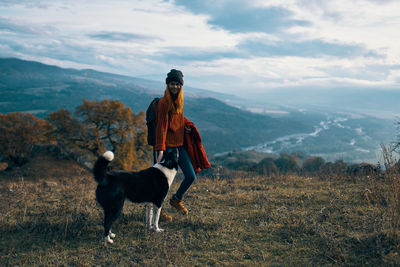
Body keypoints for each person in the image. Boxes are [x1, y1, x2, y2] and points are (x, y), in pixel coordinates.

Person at [155, 69, 209, 219]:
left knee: (191, 176)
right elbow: (161, 126)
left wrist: (186, 127)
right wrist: (160, 149)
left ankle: (176, 199)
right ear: (168, 84)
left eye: (178, 84)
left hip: (180, 145)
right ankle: (159, 211)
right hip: (168, 147)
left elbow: (178, 119)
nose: (175, 87)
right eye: (172, 83)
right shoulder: (164, 102)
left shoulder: (178, 101)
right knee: (163, 183)